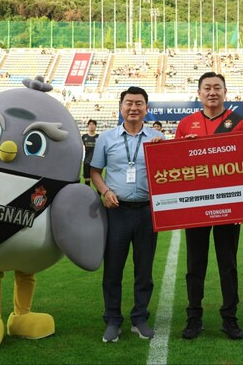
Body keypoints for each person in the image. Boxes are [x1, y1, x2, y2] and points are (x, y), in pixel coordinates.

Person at [175, 72, 243, 340]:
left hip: (228, 207)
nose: (212, 92)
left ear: (225, 92)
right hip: (197, 206)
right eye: (207, 88)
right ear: (199, 93)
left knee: (227, 263)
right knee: (195, 264)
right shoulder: (186, 124)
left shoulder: (240, 124)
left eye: (217, 88)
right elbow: (175, 166)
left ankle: (229, 317)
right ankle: (194, 317)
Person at [90, 87, 164, 343]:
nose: (134, 108)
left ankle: (140, 318)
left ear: (146, 108)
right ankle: (112, 320)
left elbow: (170, 172)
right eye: (129, 103)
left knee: (144, 269)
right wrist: (105, 191)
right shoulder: (106, 138)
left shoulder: (157, 137)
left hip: (146, 212)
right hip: (117, 212)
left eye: (139, 104)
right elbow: (95, 171)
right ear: (121, 107)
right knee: (113, 269)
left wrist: (164, 150)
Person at [81, 119, 99, 186]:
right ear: (88, 126)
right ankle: (88, 196)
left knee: (97, 181)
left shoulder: (99, 137)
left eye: (93, 124)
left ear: (95, 126)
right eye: (90, 124)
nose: (92, 126)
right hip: (87, 161)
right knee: (87, 180)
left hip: (96, 162)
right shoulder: (84, 137)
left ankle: (98, 196)